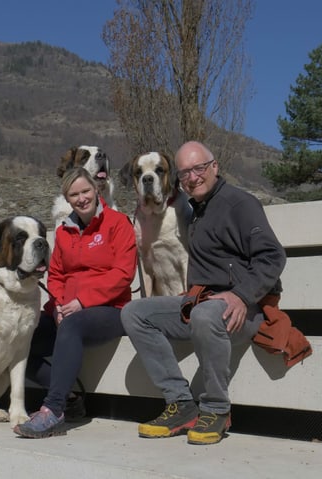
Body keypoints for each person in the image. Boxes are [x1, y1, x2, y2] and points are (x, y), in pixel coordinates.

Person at [120, 141, 286, 446]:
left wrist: (240, 295)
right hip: (199, 303)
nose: (193, 177)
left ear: (214, 168)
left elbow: (273, 257)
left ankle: (216, 408)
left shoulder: (241, 203)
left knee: (205, 312)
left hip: (243, 309)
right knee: (133, 312)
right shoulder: (193, 209)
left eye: (199, 169)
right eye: (185, 172)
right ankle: (181, 404)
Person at [15, 167, 137, 438]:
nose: (82, 198)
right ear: (67, 199)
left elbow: (123, 274)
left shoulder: (118, 223)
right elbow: (56, 274)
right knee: (21, 340)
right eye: (74, 194)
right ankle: (69, 397)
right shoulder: (63, 231)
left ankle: (53, 410)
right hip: (67, 309)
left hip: (110, 310)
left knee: (72, 327)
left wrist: (82, 302)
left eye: (85, 191)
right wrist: (58, 304)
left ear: (96, 190)